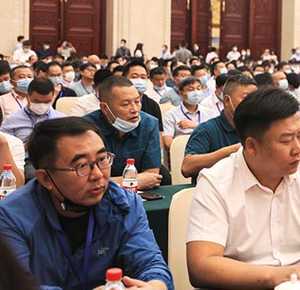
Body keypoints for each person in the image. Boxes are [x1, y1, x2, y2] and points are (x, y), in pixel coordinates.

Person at [186, 88, 300, 289]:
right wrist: (275, 276)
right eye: (286, 140)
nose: (298, 149)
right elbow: (201, 266)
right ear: (252, 146)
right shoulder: (216, 182)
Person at [0, 117, 172, 290]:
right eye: (81, 166)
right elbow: (16, 285)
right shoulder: (11, 216)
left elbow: (150, 264)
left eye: (102, 159)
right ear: (46, 179)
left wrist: (153, 286)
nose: (98, 174)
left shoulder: (124, 204)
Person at [84, 76, 164, 190]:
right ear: (105, 108)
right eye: (125, 104)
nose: (135, 109)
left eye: (137, 101)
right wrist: (132, 181)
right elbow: (87, 180)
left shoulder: (149, 124)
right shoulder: (87, 129)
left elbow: (151, 177)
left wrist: (113, 182)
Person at [182, 74, 257, 180]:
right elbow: (187, 167)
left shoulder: (259, 129)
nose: (252, 104)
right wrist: (233, 151)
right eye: (246, 98)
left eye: (255, 99)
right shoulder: (207, 129)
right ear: (227, 100)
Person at [163, 76, 215, 149]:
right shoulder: (171, 115)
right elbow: (168, 143)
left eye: (198, 89)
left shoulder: (209, 113)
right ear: (181, 94)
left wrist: (196, 126)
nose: (196, 92)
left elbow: (215, 136)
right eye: (191, 89)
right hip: (182, 151)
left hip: (206, 151)